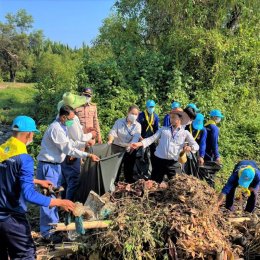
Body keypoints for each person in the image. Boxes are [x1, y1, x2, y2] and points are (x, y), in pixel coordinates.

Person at [0, 116, 75, 259]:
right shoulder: (24, 158)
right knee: (25, 254)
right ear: (28, 134)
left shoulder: (2, 150)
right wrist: (60, 202)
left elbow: (8, 174)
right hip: (11, 218)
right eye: (33, 133)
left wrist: (36, 181)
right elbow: (29, 195)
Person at [37, 105, 99, 240]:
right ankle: (49, 233)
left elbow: (71, 142)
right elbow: (68, 149)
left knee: (55, 196)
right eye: (70, 119)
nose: (72, 121)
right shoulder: (56, 129)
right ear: (63, 117)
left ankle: (53, 227)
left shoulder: (63, 126)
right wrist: (87, 155)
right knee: (50, 199)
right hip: (49, 166)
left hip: (54, 166)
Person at [131, 108, 199, 183]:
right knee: (154, 184)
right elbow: (151, 139)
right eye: (170, 117)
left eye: (173, 117)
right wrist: (139, 144)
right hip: (159, 161)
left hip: (173, 163)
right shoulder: (163, 130)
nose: (171, 119)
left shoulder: (185, 133)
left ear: (180, 118)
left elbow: (196, 145)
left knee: (177, 185)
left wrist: (190, 147)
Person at [57, 93, 97, 200]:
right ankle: (68, 206)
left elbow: (72, 133)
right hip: (71, 152)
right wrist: (90, 135)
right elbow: (78, 137)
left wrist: (84, 132)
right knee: (73, 181)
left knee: (65, 180)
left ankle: (62, 203)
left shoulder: (64, 117)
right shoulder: (71, 118)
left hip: (66, 152)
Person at [107, 105, 141, 183]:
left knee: (128, 170)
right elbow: (113, 132)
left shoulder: (138, 126)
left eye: (136, 114)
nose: (134, 116)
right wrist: (110, 141)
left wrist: (130, 147)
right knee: (116, 170)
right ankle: (113, 185)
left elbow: (136, 138)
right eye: (132, 113)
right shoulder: (119, 121)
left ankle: (127, 186)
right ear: (128, 112)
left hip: (130, 150)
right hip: (117, 148)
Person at [137, 100, 159, 172]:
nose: (152, 108)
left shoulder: (155, 116)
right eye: (150, 107)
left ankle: (153, 171)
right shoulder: (141, 115)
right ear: (147, 107)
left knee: (154, 155)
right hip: (142, 139)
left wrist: (156, 138)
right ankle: (141, 171)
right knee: (141, 156)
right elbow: (137, 127)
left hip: (152, 139)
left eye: (153, 107)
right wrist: (140, 137)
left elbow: (156, 128)